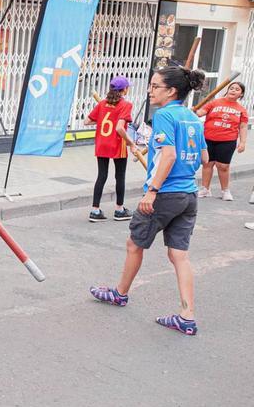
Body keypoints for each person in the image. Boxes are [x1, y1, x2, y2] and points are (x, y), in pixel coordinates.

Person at [89, 66, 208, 336]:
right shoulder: (190, 116)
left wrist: (152, 189)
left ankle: (120, 293)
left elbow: (169, 156)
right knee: (179, 255)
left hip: (165, 193)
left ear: (172, 91)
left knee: (134, 243)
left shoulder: (165, 114)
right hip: (188, 194)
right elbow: (203, 158)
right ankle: (187, 316)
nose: (150, 91)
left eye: (155, 86)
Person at [85, 76, 137, 222]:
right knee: (120, 176)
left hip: (102, 143)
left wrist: (102, 118)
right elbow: (120, 128)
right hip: (117, 144)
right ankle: (119, 210)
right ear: (124, 89)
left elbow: (87, 121)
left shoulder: (102, 103)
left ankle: (95, 211)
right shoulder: (126, 105)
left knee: (101, 176)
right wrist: (131, 143)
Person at [196, 81, 248, 201]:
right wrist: (194, 111)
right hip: (208, 138)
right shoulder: (215, 102)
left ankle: (225, 190)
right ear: (227, 90)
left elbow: (243, 126)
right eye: (231, 88)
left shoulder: (241, 110)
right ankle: (205, 189)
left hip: (227, 140)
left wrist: (243, 142)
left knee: (223, 166)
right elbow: (200, 113)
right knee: (207, 163)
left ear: (241, 94)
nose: (233, 90)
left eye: (237, 89)